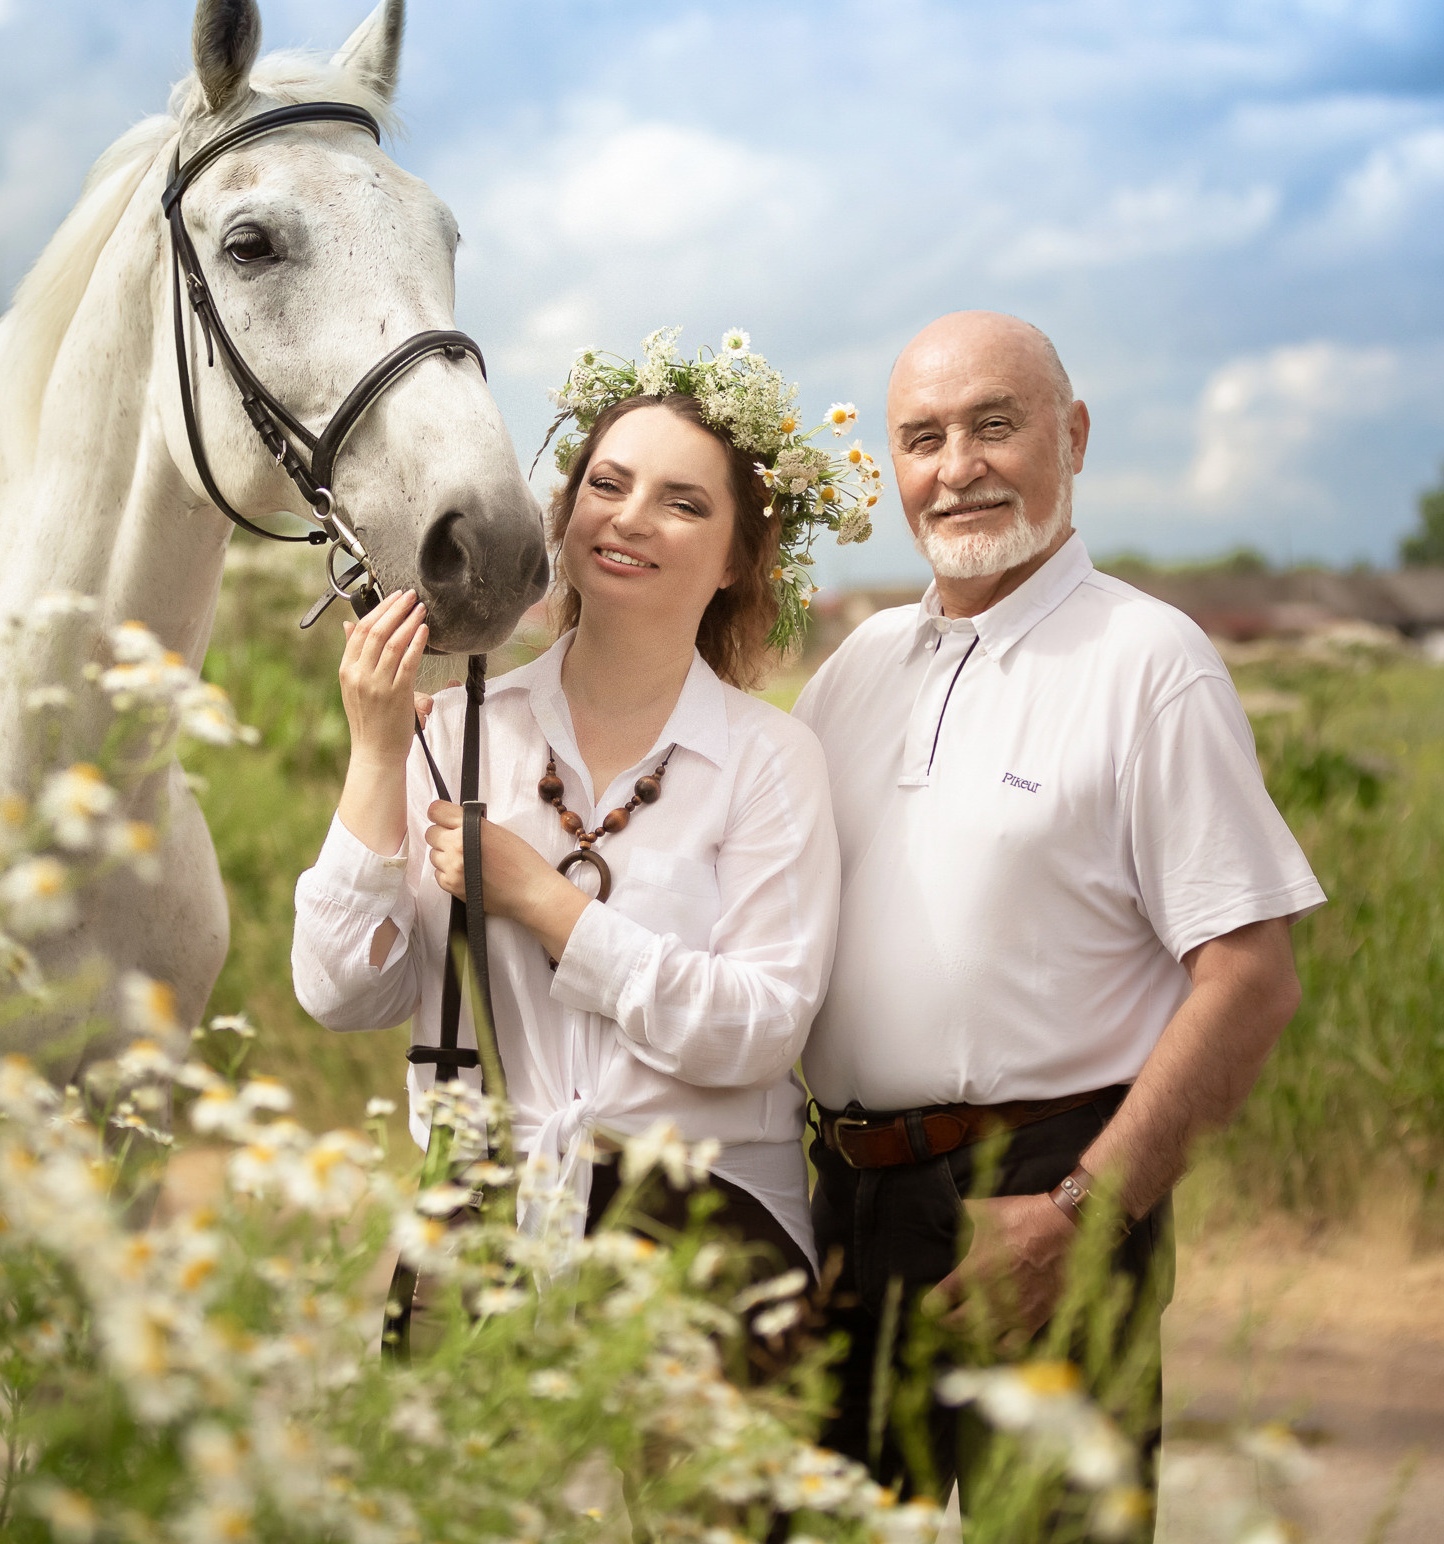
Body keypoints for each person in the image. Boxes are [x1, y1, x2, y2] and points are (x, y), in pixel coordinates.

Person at [794, 311, 1324, 1504]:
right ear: (891, 471)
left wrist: (1082, 1214)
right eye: (923, 438)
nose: (959, 466)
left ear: (1072, 435)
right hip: (848, 1206)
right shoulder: (854, 671)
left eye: (996, 424)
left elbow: (1251, 973)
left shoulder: (1149, 660)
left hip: (1043, 1194)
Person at [292, 333, 879, 1277]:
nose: (631, 519)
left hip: (703, 1231)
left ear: (736, 557)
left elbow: (761, 1028)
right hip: (481, 1229)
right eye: (608, 486)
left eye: (682, 502)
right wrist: (376, 750)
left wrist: (547, 904)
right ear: (564, 514)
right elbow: (341, 993)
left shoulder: (769, 761)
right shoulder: (459, 734)